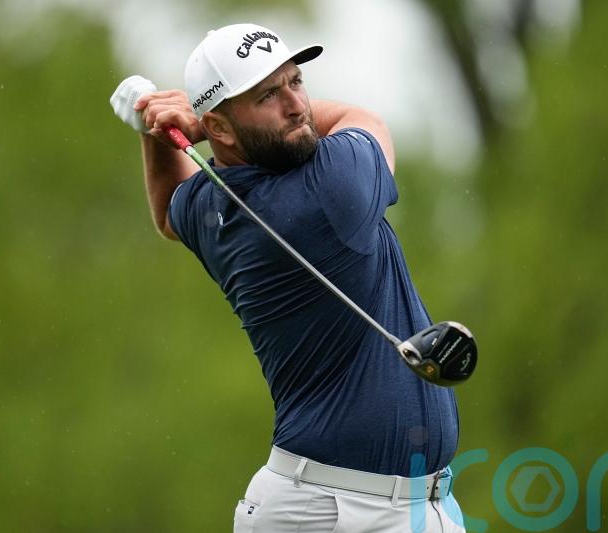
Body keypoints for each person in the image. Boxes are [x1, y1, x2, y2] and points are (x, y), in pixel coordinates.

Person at [110, 23, 466, 533]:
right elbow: (359, 117)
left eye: (296, 81)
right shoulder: (332, 190)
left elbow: (169, 210)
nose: (297, 104)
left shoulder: (216, 209)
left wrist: (157, 133)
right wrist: (192, 127)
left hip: (355, 503)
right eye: (268, 95)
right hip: (335, 511)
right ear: (222, 128)